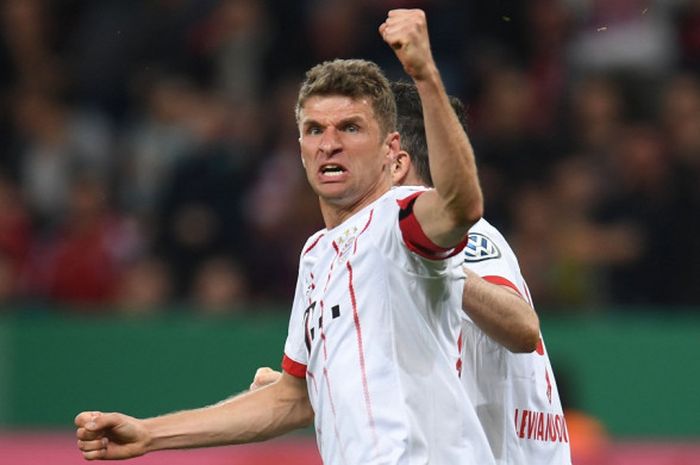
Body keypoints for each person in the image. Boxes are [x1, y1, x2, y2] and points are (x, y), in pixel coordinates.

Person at [75, 9, 495, 465]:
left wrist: (425, 76)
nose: (328, 144)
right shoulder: (316, 257)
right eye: (315, 130)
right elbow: (288, 400)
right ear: (299, 148)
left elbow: (460, 205)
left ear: (391, 150)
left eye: (350, 128)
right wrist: (149, 434)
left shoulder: (400, 220)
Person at [253, 81, 573, 464]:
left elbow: (522, 328)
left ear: (395, 159)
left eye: (356, 135)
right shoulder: (374, 257)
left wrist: (442, 264)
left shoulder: (469, 238)